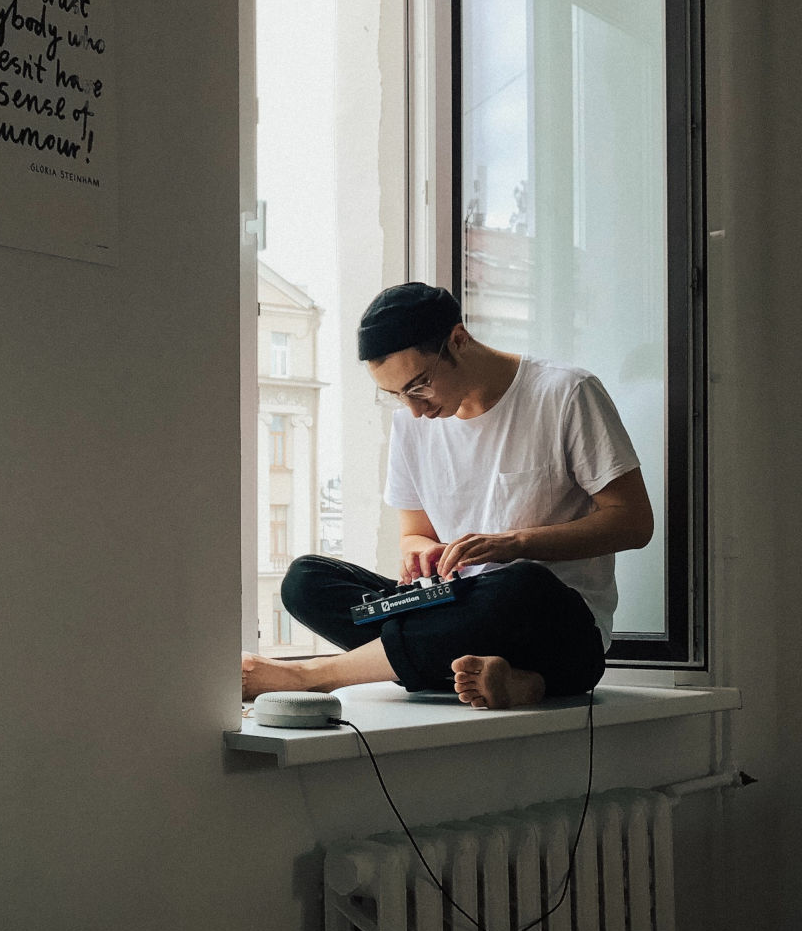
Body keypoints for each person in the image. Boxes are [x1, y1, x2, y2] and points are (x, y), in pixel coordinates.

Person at [242, 281, 655, 711]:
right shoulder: (411, 424)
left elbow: (633, 521)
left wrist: (512, 543)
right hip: (451, 608)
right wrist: (423, 553)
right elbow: (413, 534)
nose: (415, 410)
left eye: (419, 387)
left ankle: (313, 676)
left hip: (550, 622)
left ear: (458, 340)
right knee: (306, 580)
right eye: (396, 396)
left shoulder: (566, 393)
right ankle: (509, 679)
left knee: (520, 582)